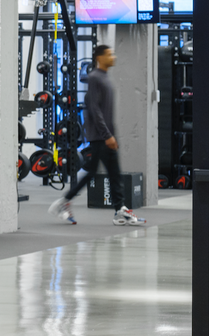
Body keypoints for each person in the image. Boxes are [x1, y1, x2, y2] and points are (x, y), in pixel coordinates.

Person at [52, 44, 145, 227]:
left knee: (101, 173)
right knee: (109, 174)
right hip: (101, 137)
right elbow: (94, 109)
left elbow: (104, 110)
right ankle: (117, 210)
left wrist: (111, 134)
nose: (113, 57)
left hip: (105, 136)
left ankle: (67, 202)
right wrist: (107, 135)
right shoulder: (95, 77)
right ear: (99, 57)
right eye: (109, 54)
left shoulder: (104, 77)